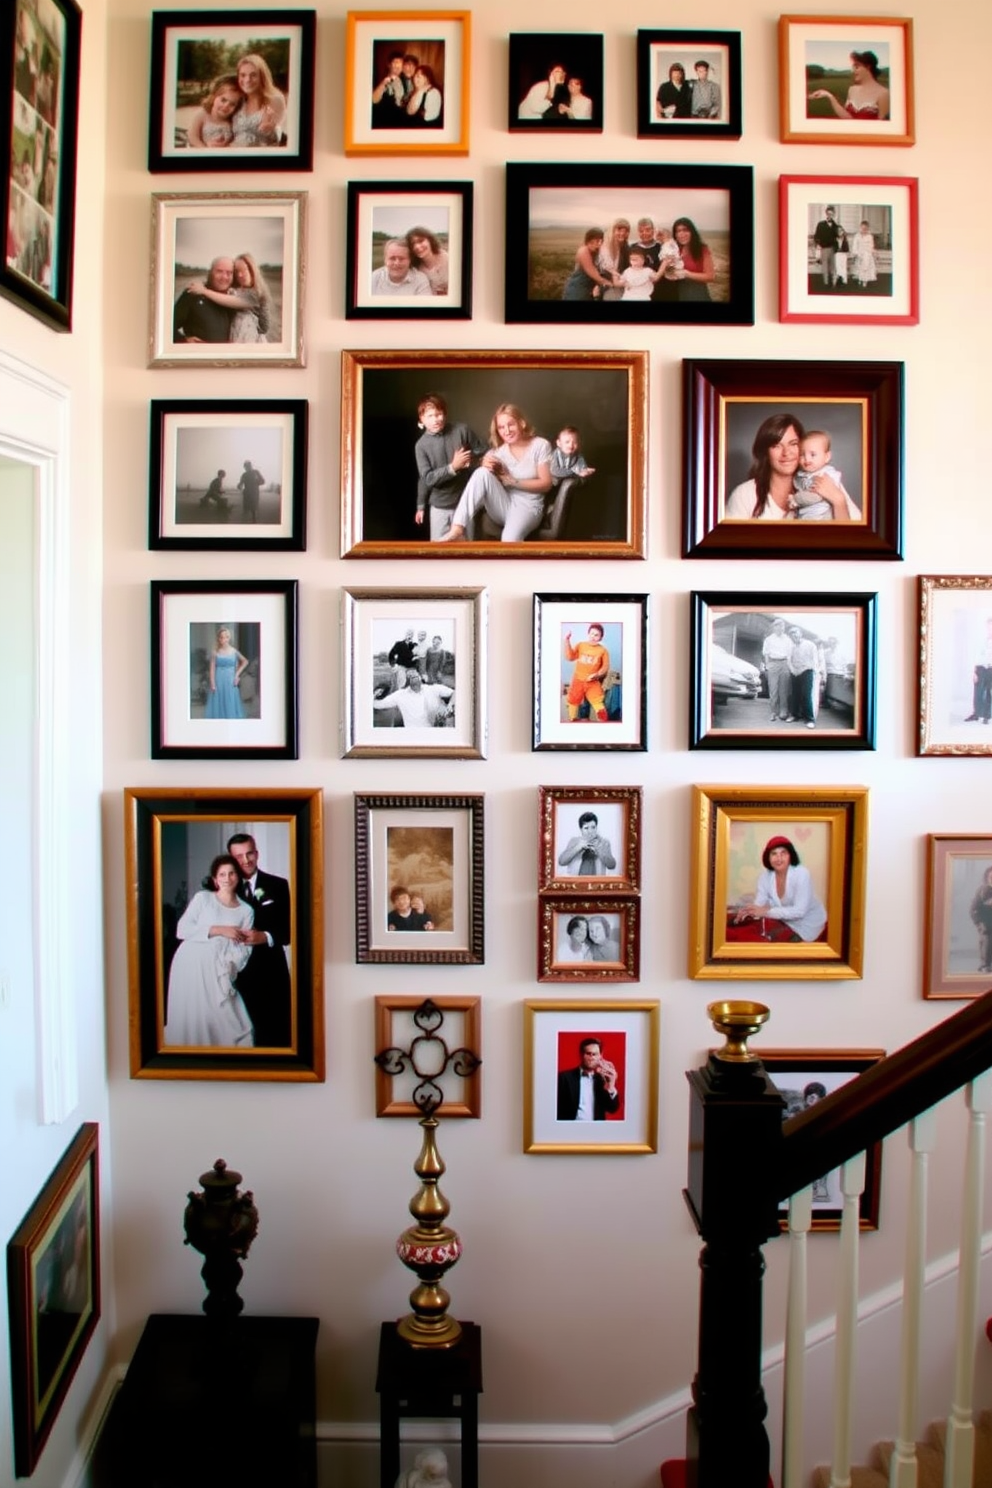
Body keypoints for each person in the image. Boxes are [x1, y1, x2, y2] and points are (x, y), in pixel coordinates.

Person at [162, 854, 255, 1048]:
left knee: (232, 1020)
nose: (227, 878)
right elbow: (182, 929)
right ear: (215, 879)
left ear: (238, 877)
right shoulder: (203, 898)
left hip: (219, 968)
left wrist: (230, 967)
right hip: (190, 963)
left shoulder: (246, 911)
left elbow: (244, 950)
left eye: (231, 874)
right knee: (193, 1014)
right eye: (222, 874)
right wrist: (221, 929)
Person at [440, 403, 553, 543]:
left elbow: (546, 484)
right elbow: (480, 471)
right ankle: (457, 529)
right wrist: (483, 463)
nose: (507, 431)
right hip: (502, 504)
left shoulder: (540, 445)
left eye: (511, 424)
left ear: (522, 423)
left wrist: (513, 481)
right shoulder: (498, 452)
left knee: (509, 539)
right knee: (482, 473)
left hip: (528, 507)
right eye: (501, 427)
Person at [723, 413, 858, 521]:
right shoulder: (744, 495)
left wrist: (839, 501)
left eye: (793, 444)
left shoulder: (825, 481)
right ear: (765, 451)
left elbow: (853, 542)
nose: (786, 453)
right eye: (776, 445)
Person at [227, 832, 292, 1048]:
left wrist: (264, 937)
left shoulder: (279, 885)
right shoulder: (224, 889)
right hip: (237, 973)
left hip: (272, 973)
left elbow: (288, 931)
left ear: (257, 853)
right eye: (239, 857)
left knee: (277, 1033)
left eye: (249, 854)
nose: (246, 861)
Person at [413, 392, 487, 540]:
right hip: (440, 507)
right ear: (421, 419)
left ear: (445, 414)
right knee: (438, 554)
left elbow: (483, 449)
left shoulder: (461, 430)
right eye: (430, 416)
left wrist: (470, 458)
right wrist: (453, 467)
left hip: (465, 503)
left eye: (439, 414)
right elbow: (426, 479)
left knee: (468, 551)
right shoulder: (421, 446)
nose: (436, 420)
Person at [733, 835, 827, 942]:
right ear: (768, 857)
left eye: (783, 853)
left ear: (790, 856)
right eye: (774, 854)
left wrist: (766, 912)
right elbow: (759, 905)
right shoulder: (765, 876)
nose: (779, 858)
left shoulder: (802, 873)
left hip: (808, 923)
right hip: (784, 920)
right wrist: (748, 911)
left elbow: (800, 912)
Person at [808, 50, 890, 121]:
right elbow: (848, 118)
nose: (853, 71)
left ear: (868, 67)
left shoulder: (883, 93)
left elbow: (881, 129)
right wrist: (829, 96)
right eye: (853, 68)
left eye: (856, 67)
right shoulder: (852, 89)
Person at [173, 256, 238, 344]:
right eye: (219, 271)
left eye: (229, 273)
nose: (224, 277)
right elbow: (167, 326)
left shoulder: (234, 299)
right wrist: (183, 340)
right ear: (210, 272)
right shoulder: (193, 293)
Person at [230, 53, 287, 147]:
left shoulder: (274, 99)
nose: (247, 80)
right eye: (243, 75)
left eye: (253, 75)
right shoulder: (239, 100)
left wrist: (271, 129)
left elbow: (279, 138)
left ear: (262, 77)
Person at [556, 1037, 620, 1120]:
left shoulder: (602, 1080)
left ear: (600, 1056)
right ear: (581, 1054)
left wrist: (611, 1086)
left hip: (596, 1130)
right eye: (588, 1053)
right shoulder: (564, 1078)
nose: (592, 1057)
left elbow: (612, 1109)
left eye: (595, 1054)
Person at [791, 430, 844, 521]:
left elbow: (817, 496)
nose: (807, 459)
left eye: (813, 454)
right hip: (804, 514)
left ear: (826, 457)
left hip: (821, 516)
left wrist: (796, 499)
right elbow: (798, 484)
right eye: (802, 455)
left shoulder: (826, 474)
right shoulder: (802, 474)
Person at [373, 669, 454, 727]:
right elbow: (376, 704)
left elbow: (456, 693)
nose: (412, 675)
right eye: (409, 675)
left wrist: (450, 704)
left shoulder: (434, 688)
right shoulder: (399, 695)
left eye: (415, 673)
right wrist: (375, 694)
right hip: (413, 736)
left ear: (420, 677)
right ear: (406, 680)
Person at [564, 622, 610, 723]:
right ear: (588, 634)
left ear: (601, 637)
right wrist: (567, 641)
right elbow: (570, 657)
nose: (593, 637)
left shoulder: (603, 650)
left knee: (597, 699)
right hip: (578, 680)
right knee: (573, 699)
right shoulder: (581, 645)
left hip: (592, 681)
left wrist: (597, 674)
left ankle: (603, 719)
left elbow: (605, 667)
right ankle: (573, 719)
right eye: (592, 634)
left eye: (597, 635)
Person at [184, 73, 242, 148]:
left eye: (232, 104)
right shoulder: (203, 115)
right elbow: (192, 136)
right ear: (214, 96)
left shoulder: (232, 120)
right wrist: (205, 149)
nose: (226, 106)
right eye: (223, 100)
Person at [204, 626, 248, 719]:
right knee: (219, 701)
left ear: (229, 638)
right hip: (219, 679)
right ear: (219, 639)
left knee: (230, 700)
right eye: (221, 637)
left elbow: (245, 661)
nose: (224, 639)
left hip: (230, 679)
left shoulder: (234, 651)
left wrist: (237, 675)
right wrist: (212, 683)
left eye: (226, 637)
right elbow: (212, 669)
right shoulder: (215, 652)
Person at [561, 228, 615, 301]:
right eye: (597, 241)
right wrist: (610, 284)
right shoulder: (583, 251)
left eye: (601, 241)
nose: (600, 244)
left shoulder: (596, 251)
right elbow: (593, 273)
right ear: (589, 240)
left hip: (589, 288)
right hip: (578, 287)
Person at [669, 217, 715, 301]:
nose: (681, 234)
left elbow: (710, 276)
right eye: (678, 231)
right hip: (677, 292)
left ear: (692, 232)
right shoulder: (674, 249)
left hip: (696, 293)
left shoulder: (702, 249)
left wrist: (687, 274)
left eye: (685, 230)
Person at [558, 811, 617, 876]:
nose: (590, 831)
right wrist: (578, 847)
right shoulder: (574, 841)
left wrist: (599, 850)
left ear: (596, 827)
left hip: (597, 883)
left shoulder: (604, 842)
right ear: (581, 829)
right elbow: (561, 862)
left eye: (593, 827)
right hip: (576, 882)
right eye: (586, 828)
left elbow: (612, 866)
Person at [787, 626, 820, 728]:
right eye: (791, 634)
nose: (794, 635)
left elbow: (814, 661)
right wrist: (793, 670)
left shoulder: (810, 645)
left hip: (807, 671)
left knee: (806, 695)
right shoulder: (791, 647)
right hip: (795, 672)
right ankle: (795, 715)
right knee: (795, 695)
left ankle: (810, 719)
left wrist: (805, 670)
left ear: (800, 633)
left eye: (795, 632)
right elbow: (789, 660)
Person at [762, 618, 794, 723]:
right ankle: (773, 712)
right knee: (773, 689)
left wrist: (789, 667)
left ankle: (783, 711)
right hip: (773, 663)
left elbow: (790, 655)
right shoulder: (769, 639)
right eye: (777, 625)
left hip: (785, 663)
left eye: (782, 626)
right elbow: (766, 654)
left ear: (784, 628)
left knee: (783, 690)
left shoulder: (788, 640)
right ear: (774, 627)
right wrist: (767, 666)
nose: (780, 628)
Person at [406, 227, 449, 295]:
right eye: (412, 244)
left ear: (430, 240)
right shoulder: (415, 269)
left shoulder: (448, 259)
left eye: (420, 241)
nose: (417, 246)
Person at [598, 218, 631, 302]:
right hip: (609, 286)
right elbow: (612, 270)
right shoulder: (606, 246)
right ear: (613, 230)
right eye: (619, 230)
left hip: (619, 284)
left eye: (626, 231)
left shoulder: (624, 247)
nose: (622, 233)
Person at [813, 206, 842, 289]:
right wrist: (818, 244)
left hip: (833, 248)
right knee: (825, 266)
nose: (830, 215)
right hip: (824, 248)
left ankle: (834, 282)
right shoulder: (821, 224)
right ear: (826, 213)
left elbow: (839, 235)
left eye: (832, 214)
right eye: (828, 213)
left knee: (833, 266)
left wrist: (840, 234)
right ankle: (825, 283)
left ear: (834, 214)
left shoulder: (835, 226)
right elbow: (816, 236)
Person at [372, 52, 406, 125]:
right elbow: (374, 100)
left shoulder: (403, 80)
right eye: (395, 62)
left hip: (398, 120)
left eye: (400, 63)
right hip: (383, 121)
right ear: (389, 65)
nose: (398, 65)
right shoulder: (381, 79)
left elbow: (400, 102)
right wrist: (384, 83)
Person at [969, 867, 992, 973]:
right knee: (987, 940)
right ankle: (985, 965)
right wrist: (979, 923)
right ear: (987, 878)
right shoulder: (982, 891)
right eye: (991, 877)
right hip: (986, 923)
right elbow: (973, 909)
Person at [851, 220, 878, 289]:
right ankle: (860, 278)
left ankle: (865, 280)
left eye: (865, 229)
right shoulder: (857, 236)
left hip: (867, 253)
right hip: (859, 253)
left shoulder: (870, 236)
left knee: (865, 267)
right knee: (859, 267)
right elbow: (855, 245)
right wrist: (856, 253)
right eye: (862, 228)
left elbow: (871, 246)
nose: (864, 230)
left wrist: (872, 252)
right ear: (860, 228)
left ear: (868, 229)